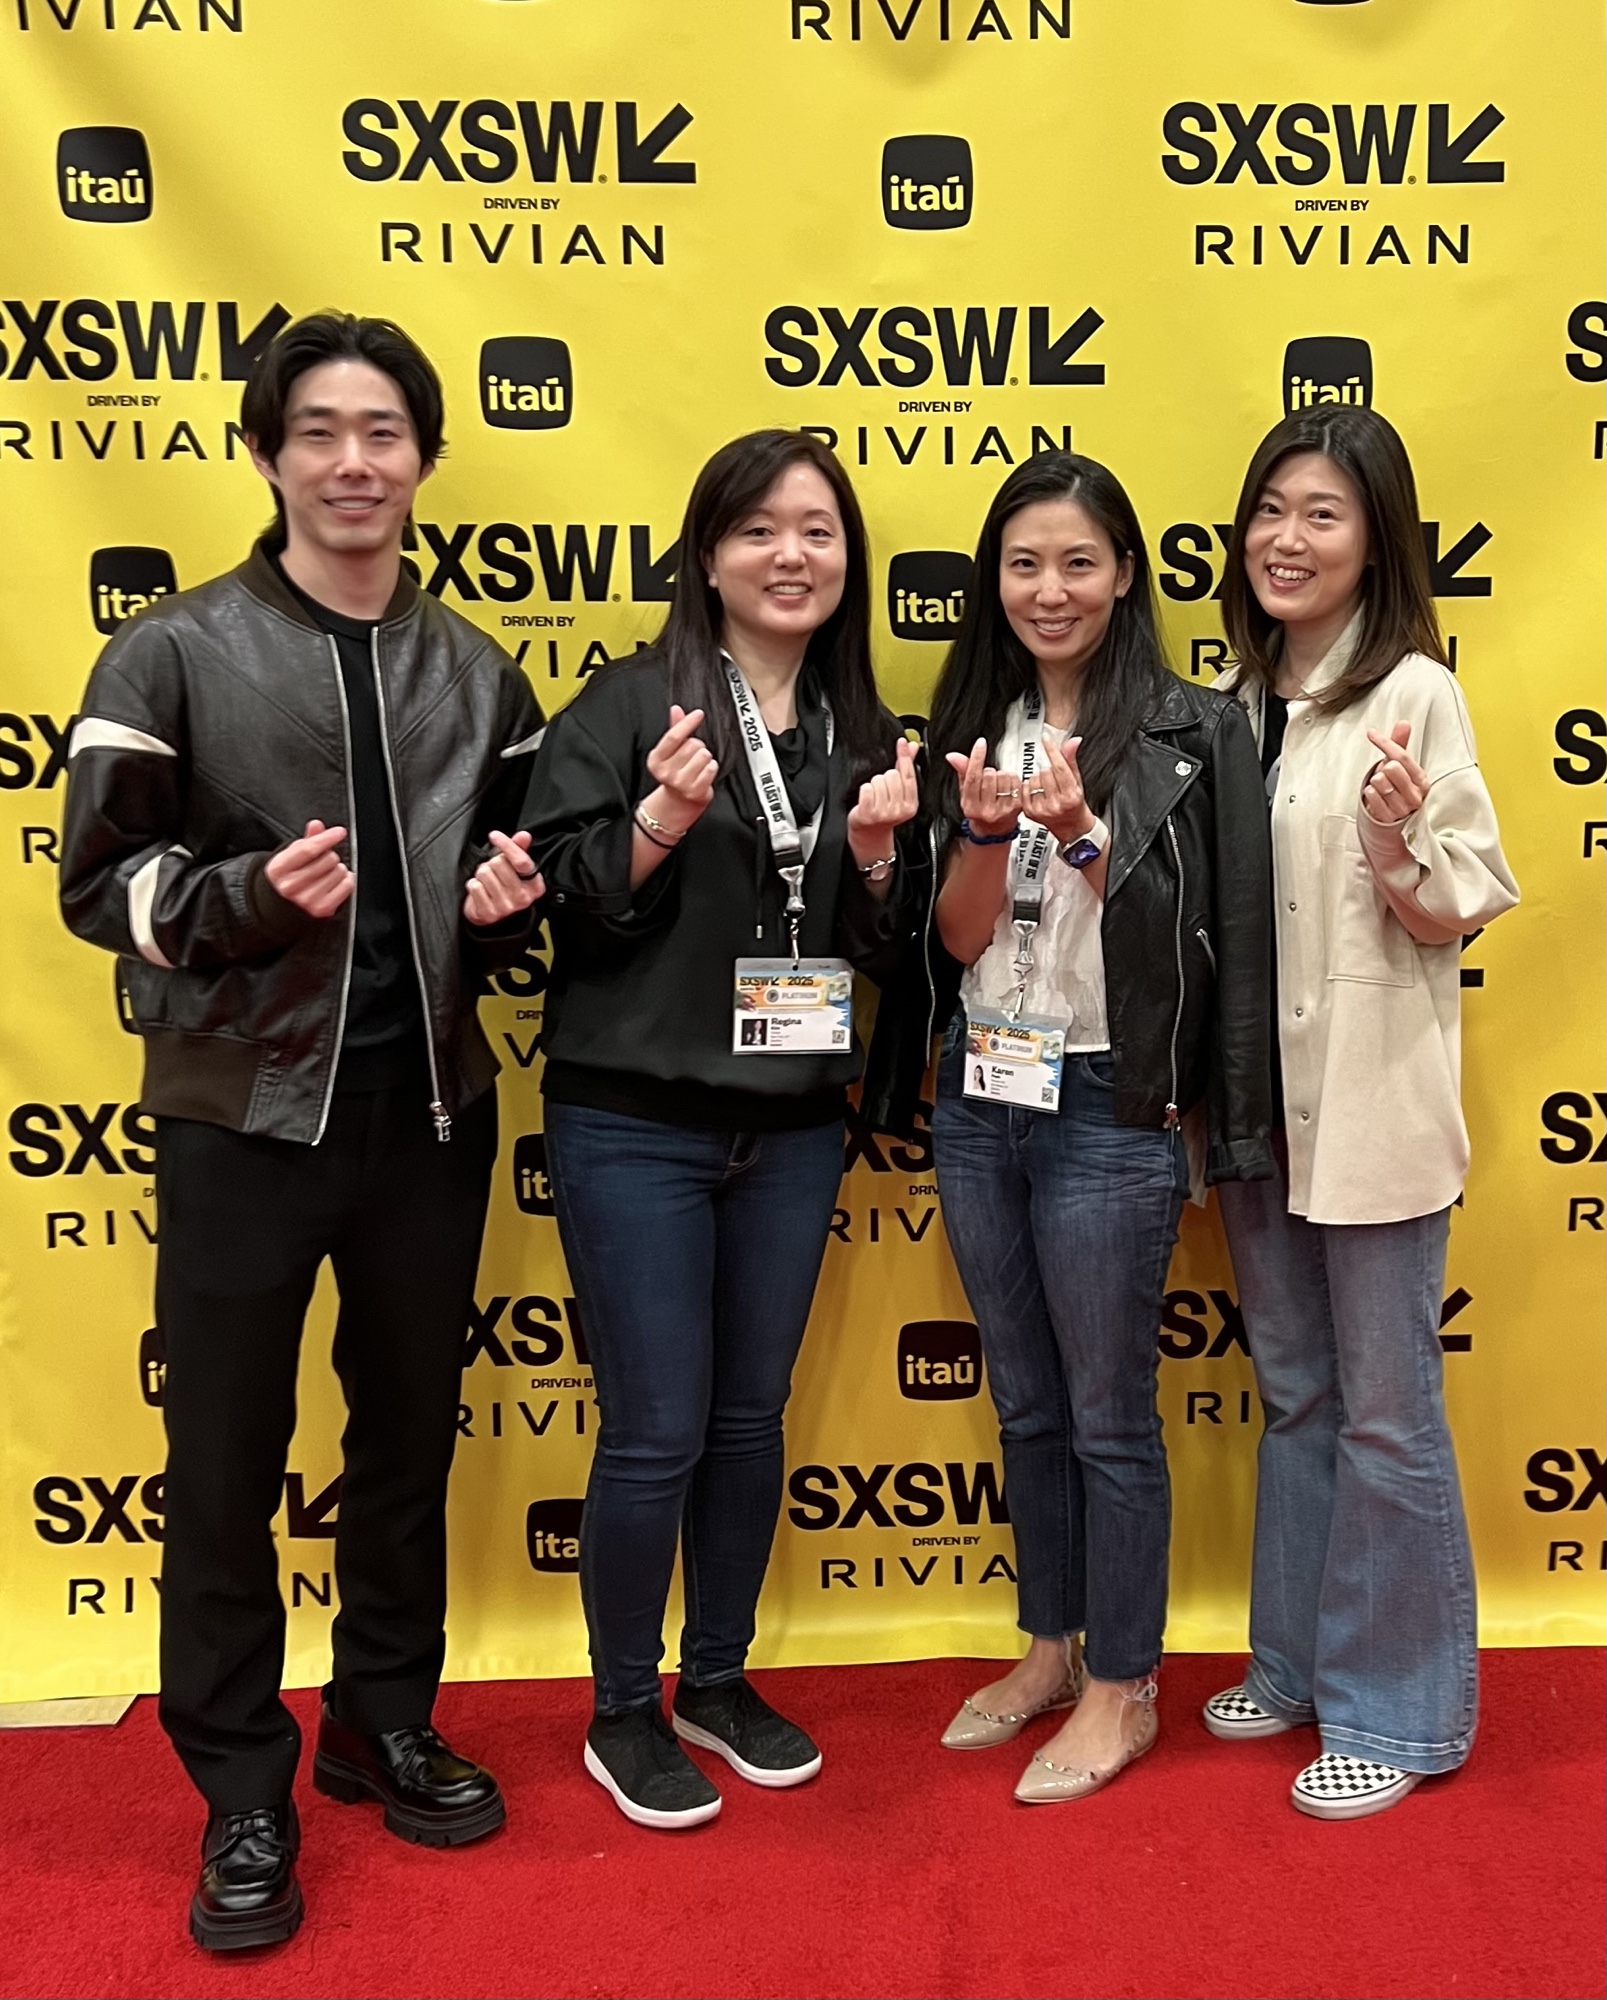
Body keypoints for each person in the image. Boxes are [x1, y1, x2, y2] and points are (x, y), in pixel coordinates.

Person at [59, 313, 545, 1948]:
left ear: (424, 459)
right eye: (321, 431)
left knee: (406, 1448)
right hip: (241, 1121)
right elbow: (97, 888)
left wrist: (508, 907)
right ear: (267, 454)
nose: (354, 462)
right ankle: (240, 1789)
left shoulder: (476, 672)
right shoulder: (170, 652)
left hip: (430, 1119)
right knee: (222, 1467)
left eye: (383, 432)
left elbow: (512, 899)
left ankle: (381, 1725)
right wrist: (243, 901)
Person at [523, 429, 921, 1830]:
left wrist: (874, 857)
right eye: (759, 530)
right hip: (634, 1122)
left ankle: (716, 1679)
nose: (791, 555)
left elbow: (882, 947)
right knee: (654, 1430)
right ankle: (621, 1708)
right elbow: (552, 893)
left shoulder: (864, 728)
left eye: (818, 530)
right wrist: (656, 821)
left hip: (794, 1128)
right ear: (706, 557)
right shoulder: (632, 702)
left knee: (749, 1421)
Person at [923, 452, 1273, 1803]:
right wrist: (977, 836)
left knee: (1109, 1413)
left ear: (1125, 573)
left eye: (1077, 562)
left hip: (1111, 1097)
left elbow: (1210, 939)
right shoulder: (977, 719)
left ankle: (1126, 1685)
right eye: (1024, 564)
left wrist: (1081, 837)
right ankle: (1049, 1650)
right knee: (1025, 1401)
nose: (1050, 589)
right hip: (982, 1090)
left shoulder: (1194, 729)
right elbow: (960, 941)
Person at [1200, 405, 1518, 1819]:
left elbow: (1459, 904)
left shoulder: (1415, 695)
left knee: (1387, 1415)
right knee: (1299, 1398)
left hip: (1373, 1109)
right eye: (1271, 509)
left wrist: (1397, 844)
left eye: (1322, 513)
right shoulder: (1231, 699)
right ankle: (1297, 1665)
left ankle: (1400, 1715)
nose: (1288, 538)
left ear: (1377, 539)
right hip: (1256, 1115)